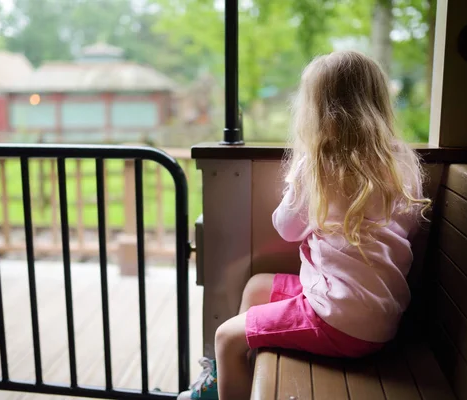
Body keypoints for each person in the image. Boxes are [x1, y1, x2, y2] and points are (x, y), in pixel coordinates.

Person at [178, 50, 431, 400]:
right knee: (257, 287)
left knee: (226, 336)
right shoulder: (400, 159)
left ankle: (218, 385)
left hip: (340, 320)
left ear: (317, 109)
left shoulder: (318, 164)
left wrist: (297, 177)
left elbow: (287, 228)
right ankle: (234, 380)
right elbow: (409, 229)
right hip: (380, 312)